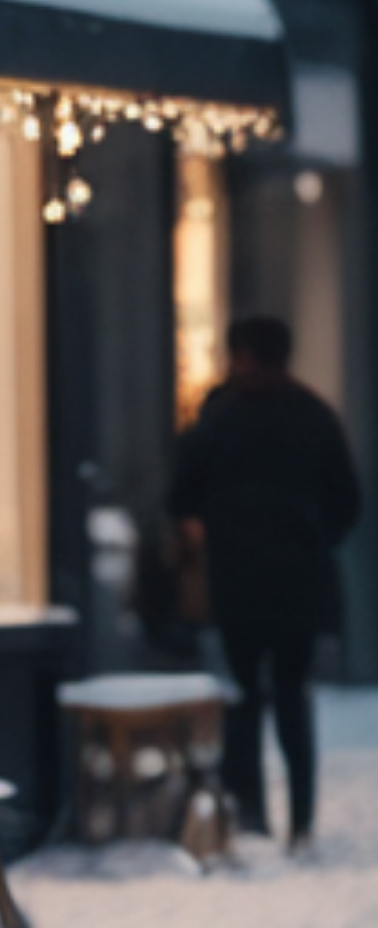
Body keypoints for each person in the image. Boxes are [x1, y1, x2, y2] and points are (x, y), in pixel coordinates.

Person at [167, 312, 363, 851]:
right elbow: (347, 500)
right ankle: (300, 821)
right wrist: (311, 536)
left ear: (241, 355)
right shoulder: (314, 416)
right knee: (294, 697)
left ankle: (247, 814)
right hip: (300, 580)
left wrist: (209, 528)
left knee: (243, 697)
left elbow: (179, 494)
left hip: (238, 580)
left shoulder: (220, 417)